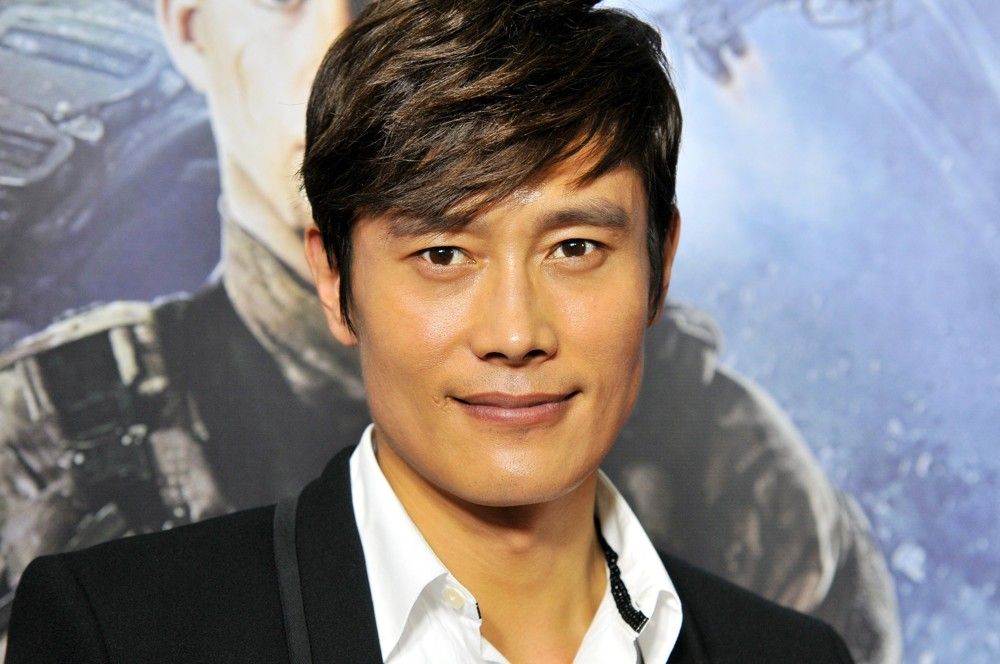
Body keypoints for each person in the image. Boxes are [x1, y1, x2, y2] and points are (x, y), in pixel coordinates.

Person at [0, 0, 899, 661]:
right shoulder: (119, 634)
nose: (514, 331)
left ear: (658, 264)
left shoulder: (791, 647)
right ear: (336, 277)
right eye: (442, 253)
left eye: (575, 247)